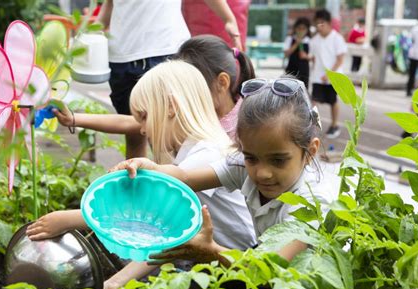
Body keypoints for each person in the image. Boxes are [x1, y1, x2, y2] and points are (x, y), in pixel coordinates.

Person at [27, 60, 256, 289]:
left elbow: (148, 213)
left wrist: (71, 219)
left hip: (240, 266)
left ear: (171, 107)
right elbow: (164, 237)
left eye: (144, 116)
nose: (143, 129)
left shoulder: (206, 152)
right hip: (207, 259)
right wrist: (116, 283)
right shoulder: (188, 152)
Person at [109, 76, 335, 270]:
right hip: (264, 267)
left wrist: (214, 252)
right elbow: (185, 178)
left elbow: (272, 268)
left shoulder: (310, 203)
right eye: (251, 158)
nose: (263, 173)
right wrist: (153, 170)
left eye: (278, 160)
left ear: (310, 152)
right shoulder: (241, 167)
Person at [87, 0, 241, 159]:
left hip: (165, 49)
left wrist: (228, 19)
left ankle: (174, 180)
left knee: (168, 135)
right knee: (135, 131)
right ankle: (137, 181)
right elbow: (111, 3)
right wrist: (95, 30)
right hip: (121, 57)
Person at [53, 35, 255, 140]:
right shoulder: (196, 110)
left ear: (222, 82)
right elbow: (132, 122)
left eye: (190, 86)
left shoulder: (243, 124)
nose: (181, 94)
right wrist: (74, 119)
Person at [175, 35, 255, 139]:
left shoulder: (246, 129)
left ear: (222, 82)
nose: (184, 96)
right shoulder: (196, 120)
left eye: (191, 88)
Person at [309, 9, 347, 139]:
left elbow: (340, 58)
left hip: (333, 78)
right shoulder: (314, 40)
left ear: (329, 23)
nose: (319, 27)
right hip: (318, 76)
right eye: (317, 24)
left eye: (322, 23)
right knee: (314, 101)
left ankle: (334, 125)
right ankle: (314, 127)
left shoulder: (337, 38)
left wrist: (330, 74)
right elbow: (314, 58)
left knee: (333, 101)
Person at [283, 17, 311, 88]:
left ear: (307, 30)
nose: (301, 31)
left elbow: (313, 57)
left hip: (304, 71)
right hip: (291, 70)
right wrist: (296, 44)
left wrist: (306, 56)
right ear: (295, 29)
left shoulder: (310, 41)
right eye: (299, 28)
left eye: (303, 28)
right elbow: (286, 54)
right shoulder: (290, 39)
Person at [407, 14, 418, 97]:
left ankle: (409, 90)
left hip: (413, 54)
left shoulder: (414, 29)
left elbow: (410, 41)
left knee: (411, 74)